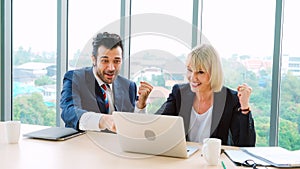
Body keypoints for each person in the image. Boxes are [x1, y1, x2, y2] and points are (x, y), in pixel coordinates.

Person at [156, 44, 256, 147]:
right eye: (190, 70)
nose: (193, 78)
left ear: (214, 73)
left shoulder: (231, 99)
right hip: (184, 159)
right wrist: (141, 106)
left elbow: (246, 145)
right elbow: (159, 127)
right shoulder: (179, 93)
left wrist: (245, 107)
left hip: (214, 161)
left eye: (200, 72)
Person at [60, 32, 153, 132]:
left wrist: (141, 105)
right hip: (83, 144)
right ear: (94, 59)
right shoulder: (75, 78)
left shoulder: (128, 86)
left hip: (118, 146)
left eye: (117, 61)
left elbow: (134, 125)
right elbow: (69, 112)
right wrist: (103, 120)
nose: (111, 68)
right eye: (105, 61)